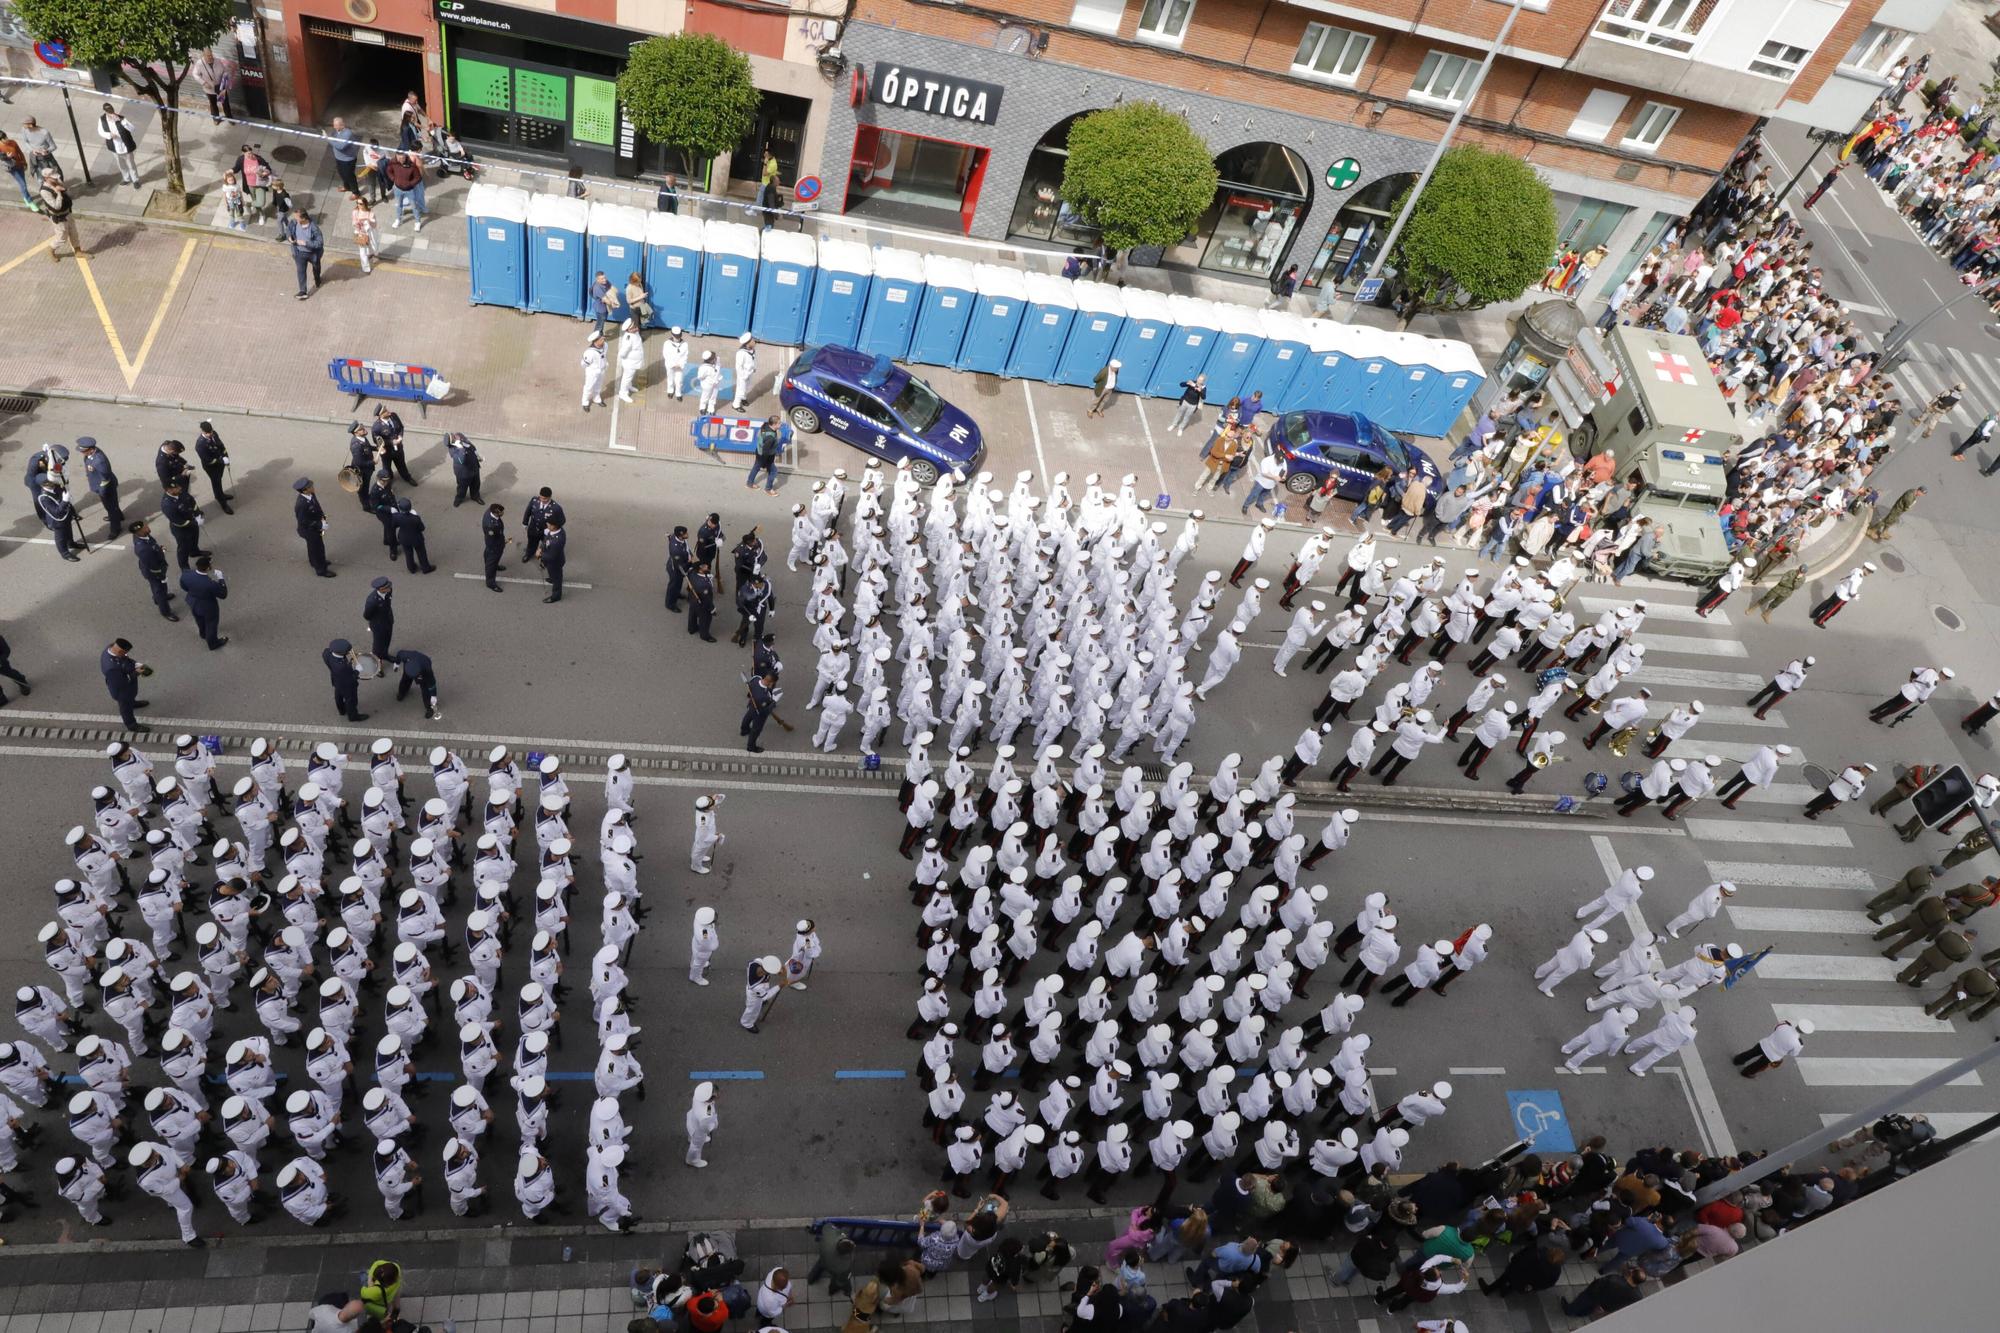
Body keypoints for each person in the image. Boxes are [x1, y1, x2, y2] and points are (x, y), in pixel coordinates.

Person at [178, 556, 229, 651]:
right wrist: (221, 579)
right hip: (207, 607)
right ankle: (213, 643)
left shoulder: (187, 574)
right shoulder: (210, 584)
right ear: (208, 567)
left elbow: (183, 586)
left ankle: (203, 633)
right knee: (211, 624)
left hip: (193, 602)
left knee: (199, 619)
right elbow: (223, 594)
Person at [101, 638, 149, 731]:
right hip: (122, 691)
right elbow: (122, 682)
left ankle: (133, 703)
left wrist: (135, 664)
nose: (126, 654)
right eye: (125, 653)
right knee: (126, 708)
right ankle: (131, 725)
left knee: (130, 698)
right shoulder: (112, 668)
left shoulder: (111, 648)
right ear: (119, 651)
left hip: (128, 686)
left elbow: (125, 659)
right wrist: (137, 672)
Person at [283, 209, 324, 300]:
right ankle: (303, 291)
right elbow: (288, 229)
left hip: (312, 253)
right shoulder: (294, 222)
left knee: (316, 267)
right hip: (299, 253)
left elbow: (319, 243)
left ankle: (317, 279)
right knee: (301, 271)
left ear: (304, 218)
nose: (295, 219)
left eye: (297, 218)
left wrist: (305, 243)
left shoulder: (314, 228)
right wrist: (289, 237)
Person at [39, 171, 80, 260]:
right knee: (62, 237)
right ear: (46, 178)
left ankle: (78, 251)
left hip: (67, 213)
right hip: (59, 217)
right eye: (53, 178)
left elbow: (70, 195)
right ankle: (51, 250)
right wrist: (58, 193)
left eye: (56, 177)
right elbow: (56, 207)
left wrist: (64, 189)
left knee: (74, 233)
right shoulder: (44, 191)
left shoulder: (58, 182)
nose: (56, 179)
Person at [97, 104, 140, 187]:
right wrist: (109, 135)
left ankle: (135, 180)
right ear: (105, 112)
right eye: (109, 113)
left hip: (125, 146)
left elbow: (133, 129)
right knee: (121, 165)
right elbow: (100, 131)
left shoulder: (121, 118)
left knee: (131, 164)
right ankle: (126, 179)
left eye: (112, 112)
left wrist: (123, 123)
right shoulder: (102, 120)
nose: (112, 114)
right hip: (114, 147)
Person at [749, 416, 784, 493]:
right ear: (774, 424)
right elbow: (766, 451)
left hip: (759, 452)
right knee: (773, 471)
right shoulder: (770, 438)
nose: (781, 424)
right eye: (779, 423)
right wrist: (764, 463)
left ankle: (749, 483)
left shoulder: (766, 426)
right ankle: (768, 489)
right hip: (765, 457)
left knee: (756, 467)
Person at [581, 336, 608, 411]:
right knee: (589, 387)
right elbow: (584, 364)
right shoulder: (589, 352)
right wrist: (591, 370)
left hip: (602, 369)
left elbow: (604, 356)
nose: (604, 340)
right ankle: (585, 402)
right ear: (595, 341)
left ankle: (596, 398)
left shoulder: (605, 345)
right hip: (592, 372)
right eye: (601, 339)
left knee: (598, 385)